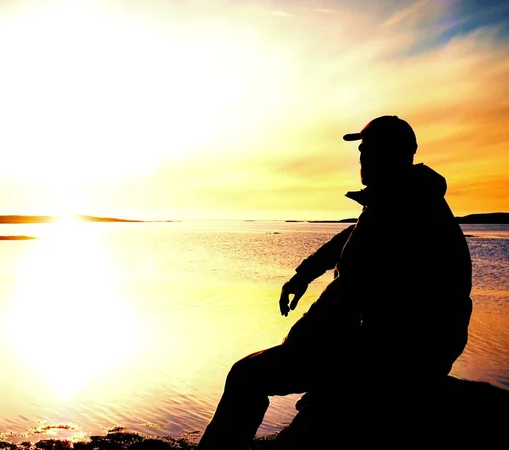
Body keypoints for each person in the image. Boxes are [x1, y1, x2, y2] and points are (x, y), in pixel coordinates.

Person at [196, 115, 473, 449]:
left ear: (396, 154)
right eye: (362, 152)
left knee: (246, 376)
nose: (362, 160)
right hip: (405, 347)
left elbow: (346, 298)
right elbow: (348, 239)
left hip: (394, 355)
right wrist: (303, 275)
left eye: (369, 152)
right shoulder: (402, 200)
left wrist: (295, 348)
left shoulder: (401, 211)